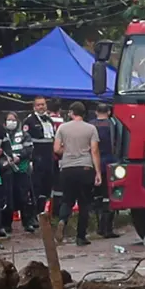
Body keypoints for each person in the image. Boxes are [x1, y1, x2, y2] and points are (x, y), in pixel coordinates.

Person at [53, 101, 101, 246]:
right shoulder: (91, 128)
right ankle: (81, 237)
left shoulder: (62, 128)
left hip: (67, 168)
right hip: (85, 168)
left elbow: (56, 149)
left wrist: (67, 151)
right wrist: (98, 172)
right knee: (84, 203)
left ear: (71, 113)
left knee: (67, 200)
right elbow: (94, 150)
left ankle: (62, 220)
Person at [2, 111, 36, 234]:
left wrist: (19, 157)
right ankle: (6, 224)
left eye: (13, 120)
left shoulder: (24, 135)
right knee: (8, 199)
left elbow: (29, 149)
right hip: (7, 171)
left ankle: (27, 222)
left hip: (22, 169)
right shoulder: (2, 135)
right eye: (9, 120)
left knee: (24, 198)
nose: (11, 122)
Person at [23, 96, 56, 215]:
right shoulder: (29, 121)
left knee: (47, 187)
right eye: (38, 105)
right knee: (36, 186)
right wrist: (31, 159)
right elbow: (26, 141)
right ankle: (34, 213)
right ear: (34, 107)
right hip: (37, 158)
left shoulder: (50, 120)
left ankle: (43, 212)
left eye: (43, 104)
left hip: (49, 158)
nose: (41, 107)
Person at [90, 103, 119, 238]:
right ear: (108, 112)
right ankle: (107, 228)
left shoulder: (90, 125)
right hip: (111, 162)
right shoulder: (113, 125)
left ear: (96, 112)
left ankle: (99, 226)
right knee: (109, 195)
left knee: (97, 196)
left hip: (93, 163)